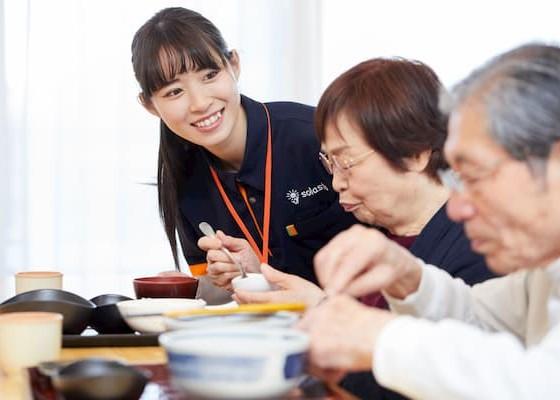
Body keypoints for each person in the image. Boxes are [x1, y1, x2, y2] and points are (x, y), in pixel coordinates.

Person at [299, 43, 560, 399]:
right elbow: (481, 320)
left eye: (475, 175)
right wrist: (409, 276)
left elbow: (541, 384)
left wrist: (381, 338)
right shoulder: (544, 274)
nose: (457, 207)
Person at [231, 58, 495, 399]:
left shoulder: (480, 249)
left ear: (415, 153)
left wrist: (323, 312)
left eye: (347, 162)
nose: (336, 181)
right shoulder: (376, 239)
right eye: (330, 163)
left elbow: (429, 381)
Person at [130, 7, 356, 299]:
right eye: (174, 92)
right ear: (149, 105)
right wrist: (194, 287)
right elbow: (220, 294)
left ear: (233, 65)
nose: (199, 103)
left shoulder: (314, 136)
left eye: (209, 75)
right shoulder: (183, 179)